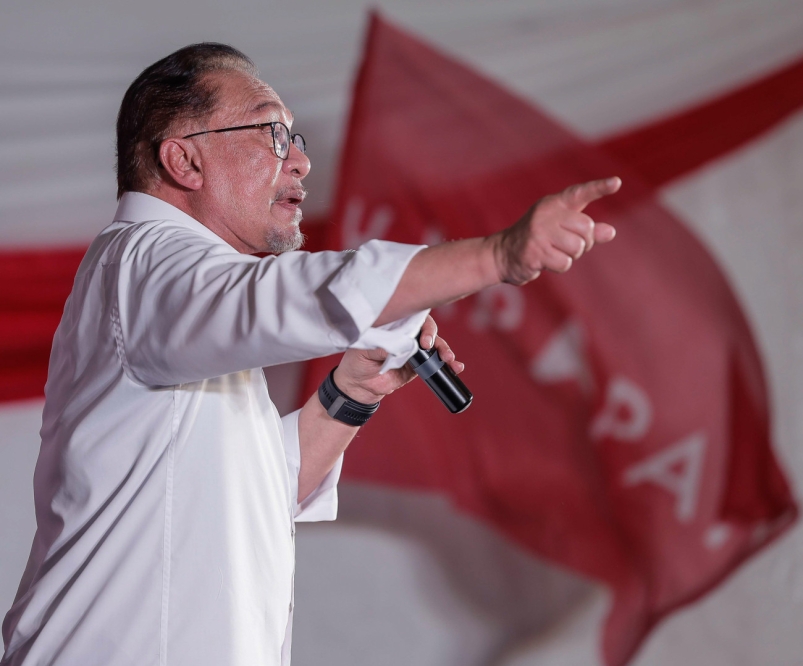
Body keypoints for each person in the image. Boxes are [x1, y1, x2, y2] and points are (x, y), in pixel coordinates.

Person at [0, 43, 619, 666]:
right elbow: (289, 295)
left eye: (293, 137)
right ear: (184, 160)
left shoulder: (176, 296)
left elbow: (256, 494)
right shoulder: (144, 262)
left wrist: (350, 395)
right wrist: (499, 255)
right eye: (272, 133)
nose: (300, 159)